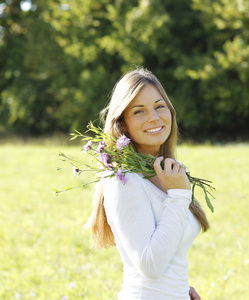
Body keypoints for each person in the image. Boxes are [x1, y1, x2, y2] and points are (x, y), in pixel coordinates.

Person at [84, 67, 209, 300]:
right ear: (123, 124)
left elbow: (169, 252)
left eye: (159, 106)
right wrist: (180, 196)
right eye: (139, 111)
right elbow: (150, 266)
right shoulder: (125, 180)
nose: (154, 117)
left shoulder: (169, 173)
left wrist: (179, 289)